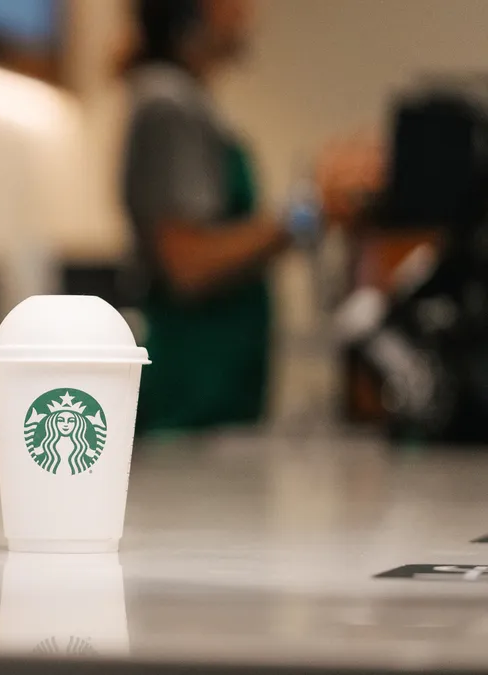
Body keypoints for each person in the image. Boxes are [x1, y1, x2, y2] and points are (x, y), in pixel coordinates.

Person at [121, 0, 355, 433]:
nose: (250, 11)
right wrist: (310, 211)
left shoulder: (191, 104)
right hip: (189, 396)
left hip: (217, 394)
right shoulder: (168, 104)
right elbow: (187, 263)